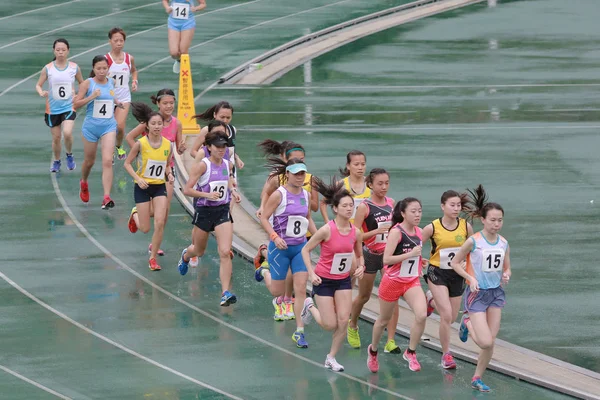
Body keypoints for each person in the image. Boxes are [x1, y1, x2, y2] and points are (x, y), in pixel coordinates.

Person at [300, 177, 365, 372]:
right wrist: (311, 274)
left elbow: (360, 254)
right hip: (324, 280)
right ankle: (309, 305)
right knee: (329, 324)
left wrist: (361, 266)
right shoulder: (326, 230)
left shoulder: (356, 232)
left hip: (343, 280)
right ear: (335, 208)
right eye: (344, 206)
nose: (349, 209)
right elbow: (305, 250)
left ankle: (331, 357)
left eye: (351, 205)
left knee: (344, 320)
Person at [450, 185, 511, 392]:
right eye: (492, 220)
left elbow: (506, 265)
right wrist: (469, 278)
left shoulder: (503, 243)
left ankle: (477, 378)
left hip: (495, 294)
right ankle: (466, 320)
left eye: (500, 220)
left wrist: (507, 273)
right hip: (476, 295)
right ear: (483, 220)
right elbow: (455, 263)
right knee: (484, 342)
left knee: (491, 342)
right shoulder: (473, 242)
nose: (496, 224)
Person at [255, 158, 317, 348]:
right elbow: (264, 218)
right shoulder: (279, 194)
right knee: (277, 291)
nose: (300, 177)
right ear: (287, 174)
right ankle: (263, 269)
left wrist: (320, 238)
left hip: (300, 248)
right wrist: (274, 237)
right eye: (296, 173)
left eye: (302, 174)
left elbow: (307, 219)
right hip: (280, 248)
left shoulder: (306, 195)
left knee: (299, 290)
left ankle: (299, 332)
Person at [177, 129, 241, 306]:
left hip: (222, 211)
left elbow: (227, 180)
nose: (222, 150)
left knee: (225, 252)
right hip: (205, 212)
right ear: (209, 148)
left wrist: (233, 191)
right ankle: (185, 256)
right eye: (218, 147)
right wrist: (206, 195)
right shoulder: (203, 166)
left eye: (224, 147)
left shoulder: (228, 164)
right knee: (199, 250)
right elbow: (187, 189)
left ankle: (225, 293)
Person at [367, 198, 428, 373]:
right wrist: (409, 255)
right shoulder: (396, 232)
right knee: (383, 320)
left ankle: (411, 352)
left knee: (422, 315)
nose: (417, 215)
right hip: (392, 281)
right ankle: (373, 350)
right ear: (403, 213)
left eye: (419, 211)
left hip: (411, 281)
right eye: (413, 211)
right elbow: (386, 260)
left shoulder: (420, 232)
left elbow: (412, 255)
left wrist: (419, 260)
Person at [126, 89, 185, 255]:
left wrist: (181, 148)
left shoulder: (177, 123)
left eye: (171, 103)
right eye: (165, 103)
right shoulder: (151, 121)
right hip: (146, 174)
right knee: (151, 214)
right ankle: (137, 214)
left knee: (164, 211)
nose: (168, 106)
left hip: (167, 171)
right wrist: (142, 155)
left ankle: (154, 244)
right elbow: (130, 137)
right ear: (158, 104)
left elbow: (177, 150)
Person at [347, 169, 400, 354]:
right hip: (369, 255)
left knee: (392, 299)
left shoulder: (392, 203)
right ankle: (352, 324)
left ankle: (391, 340)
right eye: (380, 183)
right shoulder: (364, 207)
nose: (384, 187)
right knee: (364, 296)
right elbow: (355, 235)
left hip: (388, 256)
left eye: (387, 183)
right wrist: (374, 233)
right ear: (370, 184)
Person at [420, 190, 474, 369]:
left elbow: (473, 250)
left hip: (457, 274)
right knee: (446, 315)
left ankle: (430, 300)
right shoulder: (432, 227)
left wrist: (469, 268)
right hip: (438, 272)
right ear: (442, 206)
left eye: (458, 205)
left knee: (451, 318)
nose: (456, 208)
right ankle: (446, 355)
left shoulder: (465, 227)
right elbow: (414, 243)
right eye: (452, 205)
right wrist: (419, 261)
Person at [123, 112, 172, 271]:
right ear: (148, 126)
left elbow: (166, 164)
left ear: (163, 125)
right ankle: (135, 214)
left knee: (160, 222)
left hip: (159, 186)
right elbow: (127, 164)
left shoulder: (168, 144)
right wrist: (138, 179)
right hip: (142, 187)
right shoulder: (140, 144)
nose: (157, 126)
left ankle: (153, 258)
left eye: (160, 123)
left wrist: (169, 174)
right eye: (154, 123)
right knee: (145, 229)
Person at [73, 55, 123, 209]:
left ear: (108, 69)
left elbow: (111, 96)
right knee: (90, 161)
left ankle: (106, 197)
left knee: (108, 161)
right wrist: (91, 97)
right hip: (91, 128)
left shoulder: (112, 82)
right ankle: (84, 182)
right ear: (93, 68)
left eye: (104, 68)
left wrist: (117, 102)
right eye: (99, 68)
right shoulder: (88, 84)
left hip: (108, 126)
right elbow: (75, 104)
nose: (102, 71)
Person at [35, 38, 84, 172]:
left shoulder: (74, 67)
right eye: (58, 50)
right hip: (52, 108)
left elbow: (83, 83)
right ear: (54, 51)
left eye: (63, 50)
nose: (61, 52)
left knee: (67, 133)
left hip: (69, 107)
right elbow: (38, 85)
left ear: (68, 51)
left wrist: (78, 95)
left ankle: (69, 155)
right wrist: (41, 92)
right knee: (56, 138)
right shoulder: (48, 68)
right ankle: (57, 161)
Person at [106, 27, 138, 160]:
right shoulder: (105, 59)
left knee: (119, 126)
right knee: (109, 126)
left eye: (121, 40)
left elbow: (134, 71)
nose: (119, 43)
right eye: (116, 40)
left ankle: (118, 147)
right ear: (110, 42)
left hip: (124, 97)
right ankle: (109, 151)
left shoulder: (129, 58)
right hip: (108, 98)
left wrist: (135, 81)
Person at [190, 101, 243, 174]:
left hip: (229, 171)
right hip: (212, 172)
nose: (225, 120)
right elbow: (193, 151)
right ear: (215, 114)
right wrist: (209, 162)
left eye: (228, 117)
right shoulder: (207, 130)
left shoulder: (233, 130)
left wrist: (237, 158)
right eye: (222, 117)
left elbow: (229, 149)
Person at [320, 150, 369, 224]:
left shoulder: (371, 184)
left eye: (363, 164)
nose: (360, 168)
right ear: (348, 166)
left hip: (367, 231)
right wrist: (327, 221)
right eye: (356, 164)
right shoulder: (341, 185)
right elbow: (323, 203)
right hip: (346, 230)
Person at [163, 0, 207, 73]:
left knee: (183, 51)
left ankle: (186, 74)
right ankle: (178, 60)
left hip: (187, 22)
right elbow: (165, 1)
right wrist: (167, 7)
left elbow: (203, 4)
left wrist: (196, 8)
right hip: (173, 22)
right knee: (174, 53)